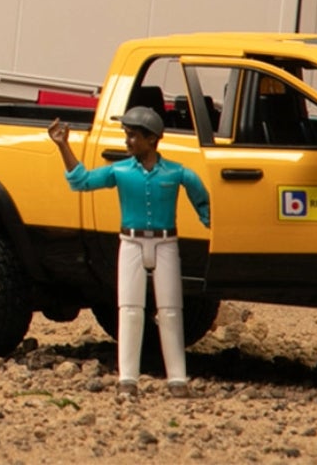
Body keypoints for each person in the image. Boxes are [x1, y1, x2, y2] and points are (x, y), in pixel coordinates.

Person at [50, 107, 212, 396]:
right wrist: (63, 146)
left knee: (172, 310)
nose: (127, 141)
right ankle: (128, 378)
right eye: (127, 135)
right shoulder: (120, 171)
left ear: (152, 139)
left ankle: (177, 378)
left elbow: (202, 199)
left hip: (165, 243)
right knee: (130, 310)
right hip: (131, 242)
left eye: (133, 136)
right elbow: (81, 181)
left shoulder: (176, 173)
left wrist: (218, 226)